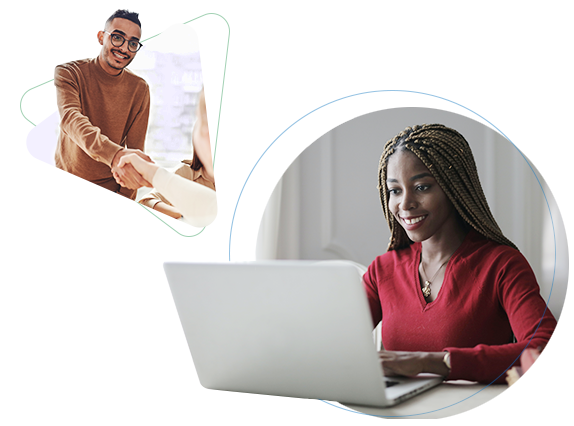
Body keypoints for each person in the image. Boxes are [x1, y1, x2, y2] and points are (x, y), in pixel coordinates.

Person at [364, 124, 567, 384]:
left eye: (422, 187)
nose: (404, 204)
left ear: (454, 186)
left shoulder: (501, 264)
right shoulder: (382, 270)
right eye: (395, 190)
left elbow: (551, 353)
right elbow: (331, 345)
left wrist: (433, 362)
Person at [44, 9, 152, 223]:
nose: (124, 48)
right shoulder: (69, 73)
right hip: (63, 191)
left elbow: (136, 147)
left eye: (133, 42)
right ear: (102, 37)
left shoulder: (139, 89)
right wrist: (116, 155)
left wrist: (123, 201)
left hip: (109, 196)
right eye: (117, 37)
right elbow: (71, 119)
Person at [112, 77, 217, 228]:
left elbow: (213, 212)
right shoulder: (187, 172)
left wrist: (153, 174)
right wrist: (181, 213)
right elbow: (144, 203)